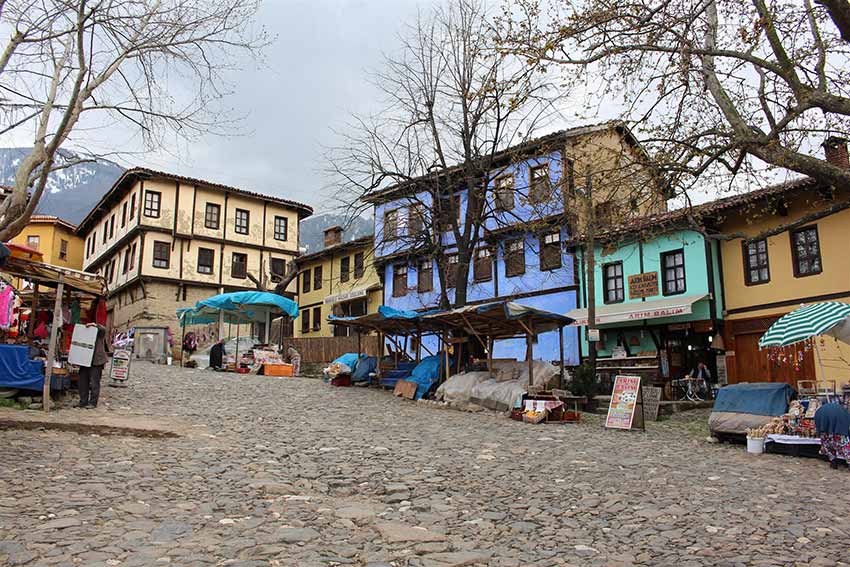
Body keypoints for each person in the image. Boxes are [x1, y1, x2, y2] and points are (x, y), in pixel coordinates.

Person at [78, 323, 110, 409]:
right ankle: (83, 401)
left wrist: (95, 325)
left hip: (96, 361)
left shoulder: (99, 334)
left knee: (94, 383)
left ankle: (93, 402)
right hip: (84, 360)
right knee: (82, 382)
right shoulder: (83, 335)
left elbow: (103, 329)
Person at [814, 402, 850, 469]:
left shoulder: (821, 410)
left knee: (828, 445)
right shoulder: (842, 411)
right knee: (844, 445)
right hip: (838, 430)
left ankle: (833, 462)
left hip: (825, 430)